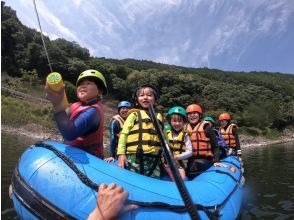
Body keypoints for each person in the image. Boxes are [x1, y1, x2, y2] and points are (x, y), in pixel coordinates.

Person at [45, 69, 107, 158]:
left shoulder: (94, 111)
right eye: (81, 84)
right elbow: (61, 121)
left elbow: (70, 134)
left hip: (90, 159)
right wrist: (58, 102)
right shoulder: (75, 105)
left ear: (100, 91)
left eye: (89, 83)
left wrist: (58, 105)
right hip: (72, 152)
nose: (83, 86)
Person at [117, 85, 163, 179]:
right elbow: (124, 134)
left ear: (154, 99)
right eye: (141, 95)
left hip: (154, 159)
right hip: (134, 158)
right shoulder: (134, 115)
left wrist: (168, 156)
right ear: (137, 100)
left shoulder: (159, 116)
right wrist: (121, 153)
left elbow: (164, 138)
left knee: (152, 184)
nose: (145, 97)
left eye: (149, 95)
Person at [184, 104, 220, 179]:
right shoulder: (184, 128)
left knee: (198, 164)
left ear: (200, 115)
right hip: (189, 160)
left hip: (205, 160)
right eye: (189, 114)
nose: (192, 115)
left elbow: (215, 146)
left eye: (194, 113)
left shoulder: (206, 127)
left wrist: (216, 160)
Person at [164, 106, 192, 181]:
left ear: (183, 122)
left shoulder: (185, 135)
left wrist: (177, 157)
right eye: (174, 121)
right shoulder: (166, 134)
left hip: (180, 164)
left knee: (182, 178)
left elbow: (190, 152)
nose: (177, 123)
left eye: (180, 121)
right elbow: (165, 147)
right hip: (168, 163)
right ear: (170, 122)